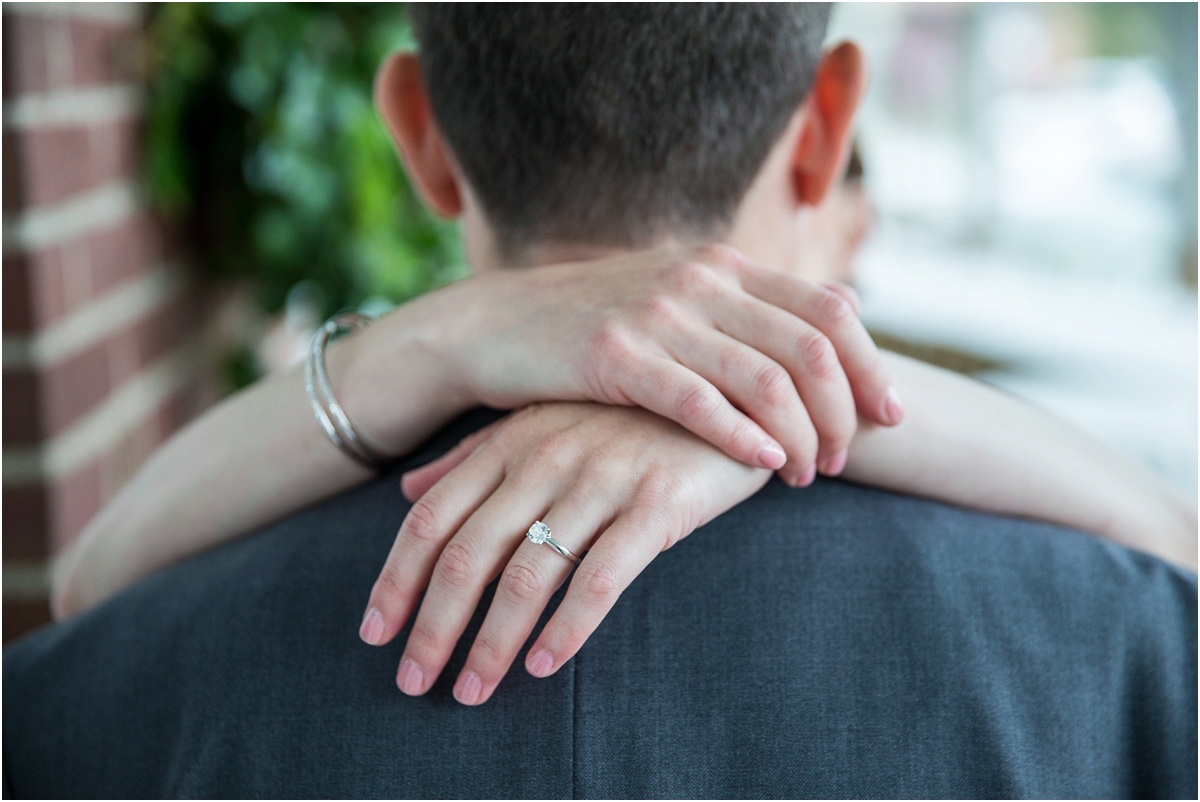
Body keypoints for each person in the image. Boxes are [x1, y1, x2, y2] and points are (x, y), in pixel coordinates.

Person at [8, 6, 1194, 794]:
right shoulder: (1128, 648)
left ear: (419, 131)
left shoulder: (86, 693)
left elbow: (81, 593)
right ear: (828, 122)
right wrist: (797, 407)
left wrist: (423, 346)